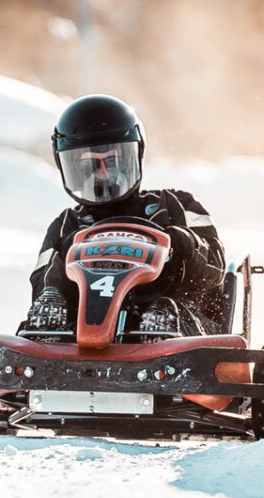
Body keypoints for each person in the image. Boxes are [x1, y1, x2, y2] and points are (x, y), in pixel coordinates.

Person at [26, 95, 227, 337]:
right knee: (49, 307)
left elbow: (217, 271)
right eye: (90, 165)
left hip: (178, 325)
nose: (102, 176)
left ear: (133, 157)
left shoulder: (176, 206)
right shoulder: (67, 226)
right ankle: (36, 351)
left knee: (167, 311)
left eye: (111, 162)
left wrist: (183, 244)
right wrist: (67, 256)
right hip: (80, 334)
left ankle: (157, 338)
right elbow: (41, 290)